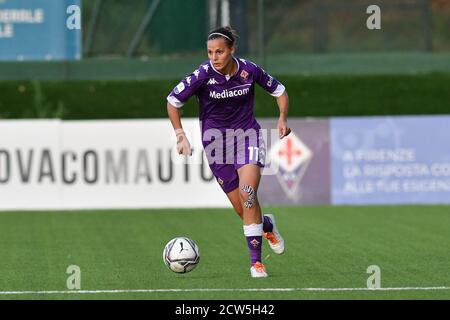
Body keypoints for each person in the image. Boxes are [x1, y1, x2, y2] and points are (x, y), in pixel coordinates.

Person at [166, 26, 290, 278]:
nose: (214, 57)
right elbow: (172, 101)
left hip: (248, 138)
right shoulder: (202, 75)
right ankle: (267, 224)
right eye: (210, 52)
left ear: (232, 50)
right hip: (216, 145)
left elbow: (279, 91)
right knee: (242, 209)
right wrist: (180, 135)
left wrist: (282, 118)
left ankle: (256, 263)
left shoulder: (249, 70)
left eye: (220, 52)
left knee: (248, 193)